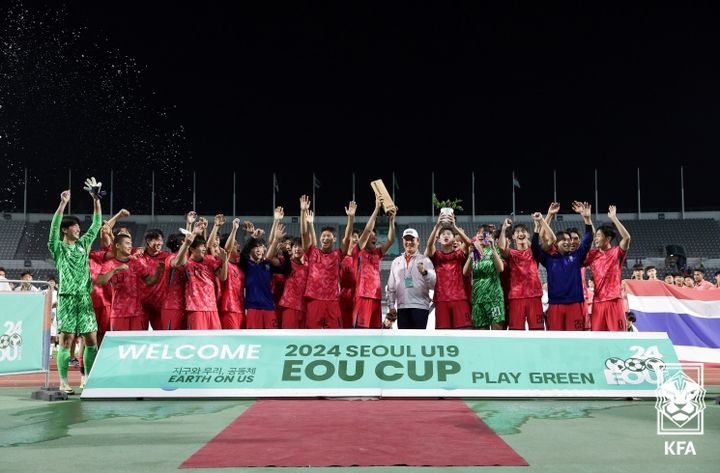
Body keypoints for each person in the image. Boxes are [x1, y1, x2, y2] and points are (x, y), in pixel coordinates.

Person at [47, 187, 102, 394]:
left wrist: (96, 199)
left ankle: (87, 378)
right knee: (67, 340)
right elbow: (53, 228)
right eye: (75, 227)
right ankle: (63, 381)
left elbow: (96, 225)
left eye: (79, 227)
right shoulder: (58, 248)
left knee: (91, 340)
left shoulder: (83, 245)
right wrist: (62, 204)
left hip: (85, 300)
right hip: (68, 299)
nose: (79, 229)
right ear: (65, 230)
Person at [532, 202, 594, 331]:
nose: (568, 242)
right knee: (555, 340)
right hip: (555, 305)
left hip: (575, 304)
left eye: (569, 240)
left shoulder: (577, 256)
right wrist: (539, 226)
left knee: (575, 339)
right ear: (556, 243)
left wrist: (586, 219)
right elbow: (535, 248)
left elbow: (588, 239)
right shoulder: (549, 259)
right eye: (564, 240)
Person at [97, 234, 165, 331]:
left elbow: (149, 281)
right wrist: (114, 270)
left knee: (137, 344)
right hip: (118, 314)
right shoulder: (109, 264)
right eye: (127, 243)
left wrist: (158, 272)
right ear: (118, 246)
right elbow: (100, 282)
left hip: (137, 313)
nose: (130, 246)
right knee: (118, 344)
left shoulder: (137, 262)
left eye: (131, 243)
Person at [172, 220, 228, 330]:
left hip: (212, 308)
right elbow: (177, 263)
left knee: (215, 340)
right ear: (192, 249)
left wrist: (225, 261)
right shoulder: (186, 263)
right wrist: (188, 241)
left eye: (204, 246)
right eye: (201, 246)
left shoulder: (210, 261)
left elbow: (223, 277)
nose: (204, 248)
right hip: (195, 308)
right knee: (198, 340)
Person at [300, 195, 345, 329]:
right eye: (323, 236)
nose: (325, 238)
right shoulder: (313, 252)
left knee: (335, 334)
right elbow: (304, 234)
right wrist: (302, 212)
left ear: (334, 238)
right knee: (312, 334)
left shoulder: (337, 254)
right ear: (320, 239)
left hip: (332, 300)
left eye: (328, 236)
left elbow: (347, 239)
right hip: (314, 299)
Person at [584, 205, 631, 331]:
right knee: (599, 338)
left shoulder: (617, 252)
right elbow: (588, 241)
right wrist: (587, 219)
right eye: (596, 236)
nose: (596, 239)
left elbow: (626, 238)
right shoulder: (593, 255)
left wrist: (614, 218)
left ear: (608, 238)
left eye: (599, 236)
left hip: (614, 301)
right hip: (597, 302)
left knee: (618, 337)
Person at [352, 197, 396, 328]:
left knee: (376, 332)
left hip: (376, 297)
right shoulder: (358, 251)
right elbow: (366, 231)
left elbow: (390, 240)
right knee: (362, 331)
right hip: (362, 296)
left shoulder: (377, 253)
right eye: (371, 235)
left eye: (375, 235)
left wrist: (392, 220)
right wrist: (377, 209)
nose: (374, 237)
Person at [425, 213, 473, 329]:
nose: (445, 235)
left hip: (460, 299)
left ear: (454, 238)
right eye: (443, 234)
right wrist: (437, 227)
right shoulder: (436, 256)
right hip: (441, 300)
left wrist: (455, 227)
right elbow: (429, 244)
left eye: (448, 234)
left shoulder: (459, 255)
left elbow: (469, 243)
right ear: (439, 239)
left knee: (464, 332)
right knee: (443, 334)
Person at [498, 218, 544, 330]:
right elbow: (501, 248)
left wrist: (539, 223)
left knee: (537, 331)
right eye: (517, 232)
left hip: (534, 296)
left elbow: (547, 240)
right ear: (513, 237)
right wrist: (504, 229)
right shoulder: (512, 253)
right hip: (516, 297)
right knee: (516, 331)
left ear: (528, 235)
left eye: (523, 231)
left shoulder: (534, 251)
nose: (520, 233)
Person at [386, 228, 436, 329]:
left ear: (418, 241)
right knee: (404, 342)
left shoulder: (425, 260)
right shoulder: (396, 262)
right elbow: (391, 288)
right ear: (403, 241)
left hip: (420, 307)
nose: (409, 242)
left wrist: (425, 273)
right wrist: (391, 306)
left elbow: (434, 284)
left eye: (412, 239)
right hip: (402, 308)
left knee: (418, 340)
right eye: (406, 239)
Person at [464, 226, 505, 330]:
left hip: (494, 297)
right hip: (478, 297)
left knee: (497, 330)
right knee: (480, 332)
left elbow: (500, 268)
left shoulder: (493, 250)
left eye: (484, 233)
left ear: (490, 236)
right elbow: (465, 272)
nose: (480, 235)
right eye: (478, 232)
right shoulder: (475, 253)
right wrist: (471, 255)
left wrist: (493, 249)